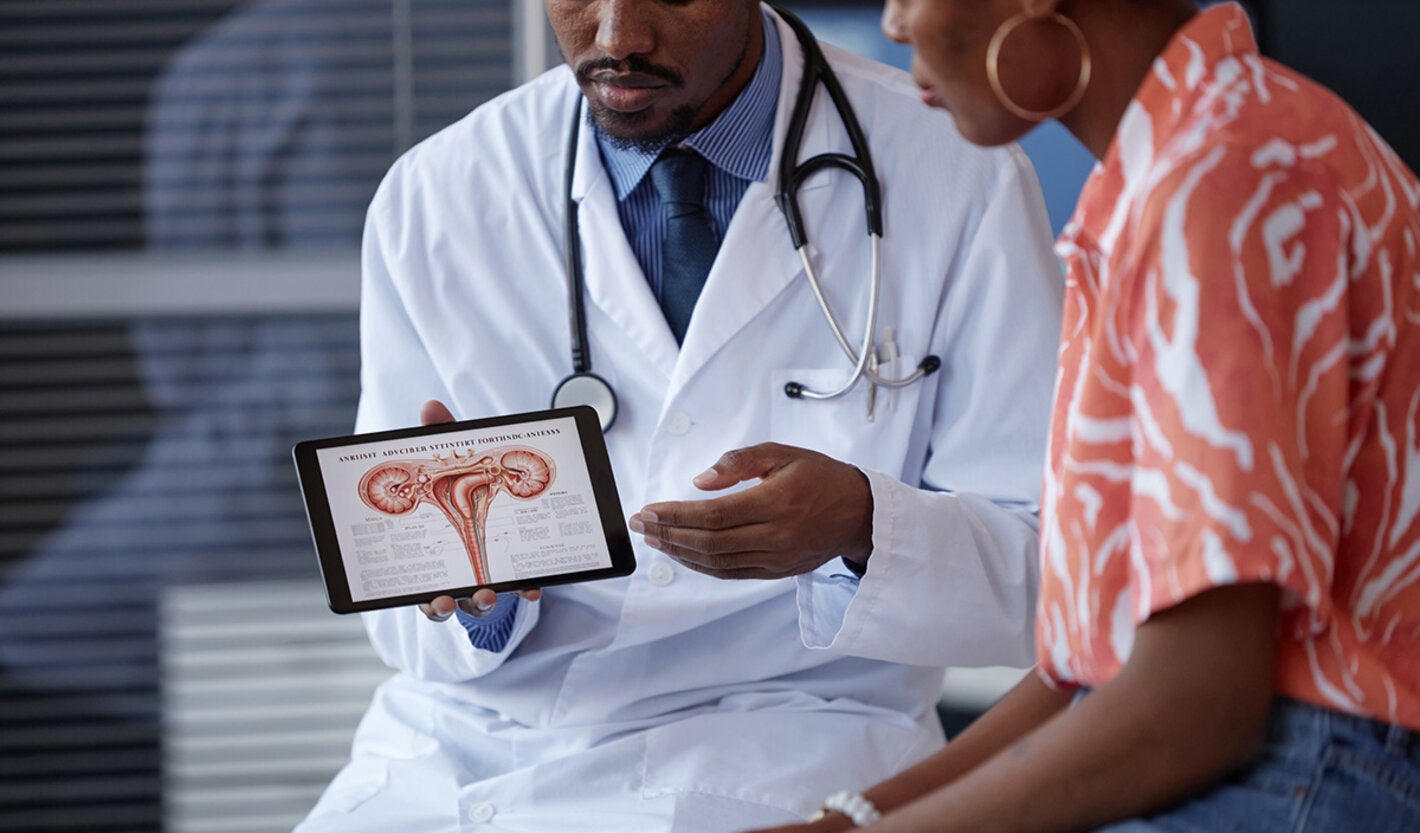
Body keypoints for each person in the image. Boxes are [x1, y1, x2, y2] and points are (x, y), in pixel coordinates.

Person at [294, 1, 1066, 831]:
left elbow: (1048, 572)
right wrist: (477, 600)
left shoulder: (955, 174)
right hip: (463, 754)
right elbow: (403, 617)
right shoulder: (436, 195)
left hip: (788, 745)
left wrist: (863, 523)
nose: (618, 36)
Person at [745, 1, 1420, 831]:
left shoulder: (1226, 175)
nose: (892, 24)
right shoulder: (1188, 159)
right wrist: (849, 820)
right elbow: (1095, 666)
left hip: (1311, 774)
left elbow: (1198, 702)